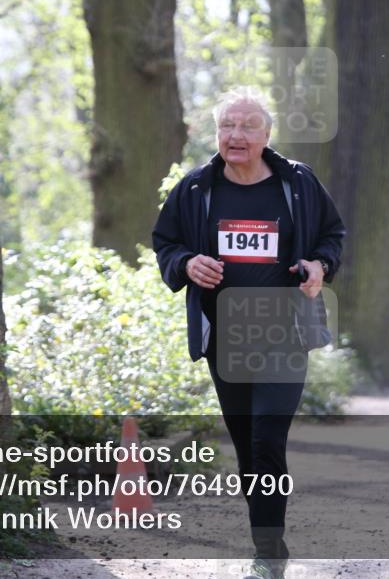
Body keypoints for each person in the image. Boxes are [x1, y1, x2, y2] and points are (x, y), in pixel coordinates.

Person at [152, 86, 345, 579]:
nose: (236, 135)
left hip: (285, 335)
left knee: (266, 441)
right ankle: (269, 542)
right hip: (226, 339)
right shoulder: (195, 188)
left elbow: (332, 235)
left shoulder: (297, 183)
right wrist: (186, 263)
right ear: (217, 133)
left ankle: (265, 552)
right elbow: (165, 242)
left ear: (267, 134)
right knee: (246, 446)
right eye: (227, 126)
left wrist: (320, 266)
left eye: (247, 126)